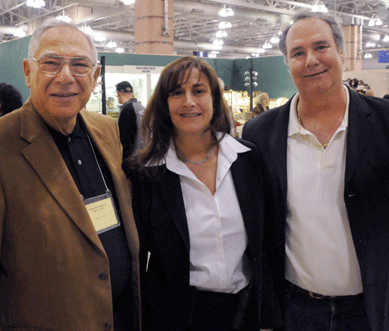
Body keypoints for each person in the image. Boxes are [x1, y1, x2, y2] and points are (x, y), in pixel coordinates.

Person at [243, 10, 389, 331]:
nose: (310, 60)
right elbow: (260, 226)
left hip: (372, 309)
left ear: (341, 52)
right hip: (297, 310)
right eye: (298, 52)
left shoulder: (383, 123)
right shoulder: (260, 133)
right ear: (288, 63)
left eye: (321, 47)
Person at [0, 18, 141, 331]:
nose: (66, 77)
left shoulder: (106, 130)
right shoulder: (4, 143)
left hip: (119, 318)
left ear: (95, 75)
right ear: (27, 71)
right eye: (51, 63)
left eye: (79, 65)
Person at [125, 56, 281, 331]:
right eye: (177, 93)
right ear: (164, 102)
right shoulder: (144, 173)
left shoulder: (247, 159)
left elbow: (266, 242)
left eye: (198, 91)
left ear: (214, 100)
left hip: (244, 313)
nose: (188, 101)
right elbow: (138, 258)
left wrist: (268, 315)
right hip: (178, 316)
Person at [116, 81, 145, 160]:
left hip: (133, 161)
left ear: (118, 93)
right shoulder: (142, 108)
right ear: (132, 93)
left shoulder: (127, 110)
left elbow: (124, 140)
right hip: (145, 157)